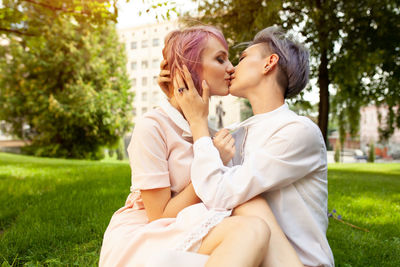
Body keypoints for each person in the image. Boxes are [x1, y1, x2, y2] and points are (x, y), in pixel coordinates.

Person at [99, 25, 302, 267]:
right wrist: (214, 160)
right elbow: (159, 216)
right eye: (220, 59)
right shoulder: (152, 126)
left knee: (253, 218)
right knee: (252, 230)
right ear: (190, 66)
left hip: (192, 224)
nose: (231, 68)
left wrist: (202, 133)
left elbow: (232, 193)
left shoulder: (210, 133)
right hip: (151, 233)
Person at [173, 26, 335, 267]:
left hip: (298, 261)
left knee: (247, 200)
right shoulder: (234, 133)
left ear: (269, 63)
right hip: (247, 253)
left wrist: (199, 124)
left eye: (241, 59)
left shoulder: (298, 131)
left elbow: (220, 195)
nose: (231, 69)